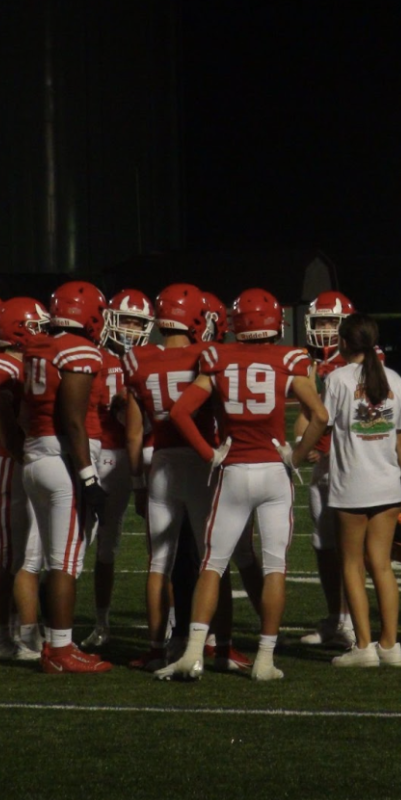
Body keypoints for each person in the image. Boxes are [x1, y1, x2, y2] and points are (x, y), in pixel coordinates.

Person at [157, 287, 328, 681]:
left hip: (233, 471)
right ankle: (265, 660)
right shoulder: (290, 359)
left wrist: (209, 453)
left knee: (212, 566)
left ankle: (193, 655)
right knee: (274, 569)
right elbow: (318, 415)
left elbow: (180, 412)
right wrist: (296, 456)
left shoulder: (218, 358)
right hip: (272, 472)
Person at [122, 284, 247, 671]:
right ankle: (221, 646)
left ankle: (158, 648)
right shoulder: (206, 355)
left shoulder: (137, 359)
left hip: (159, 464)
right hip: (198, 463)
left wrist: (139, 485)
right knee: (215, 560)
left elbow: (132, 432)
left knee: (158, 563)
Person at [20, 281, 113, 674]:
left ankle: (53, 643)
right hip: (63, 461)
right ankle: (60, 649)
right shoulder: (79, 351)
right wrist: (89, 479)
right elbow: (73, 420)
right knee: (66, 562)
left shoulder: (38, 346)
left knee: (51, 560)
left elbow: (27, 411)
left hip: (35, 457)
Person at [322, 312, 401, 668]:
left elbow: (323, 422)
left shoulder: (338, 380)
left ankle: (363, 646)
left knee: (351, 565)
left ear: (344, 342)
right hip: (387, 484)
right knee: (382, 567)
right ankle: (390, 646)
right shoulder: (394, 379)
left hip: (352, 486)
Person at [80, 288, 154, 650]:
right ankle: (89, 623)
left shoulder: (148, 360)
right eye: (126, 319)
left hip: (135, 455)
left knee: (138, 546)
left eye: (138, 322)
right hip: (102, 453)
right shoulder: (93, 356)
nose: (131, 328)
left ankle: (111, 623)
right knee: (88, 545)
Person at [0, 296, 50, 661]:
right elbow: (7, 429)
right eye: (37, 326)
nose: (44, 332)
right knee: (10, 555)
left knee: (31, 555)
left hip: (28, 461)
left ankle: (28, 632)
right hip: (12, 463)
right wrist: (29, 455)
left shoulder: (29, 364)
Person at [294, 290, 358, 649]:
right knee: (323, 544)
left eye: (331, 322)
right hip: (323, 467)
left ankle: (351, 623)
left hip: (346, 464)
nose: (323, 328)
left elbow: (359, 419)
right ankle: (337, 617)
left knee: (349, 548)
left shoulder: (361, 362)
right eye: (319, 321)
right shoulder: (312, 361)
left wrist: (321, 448)